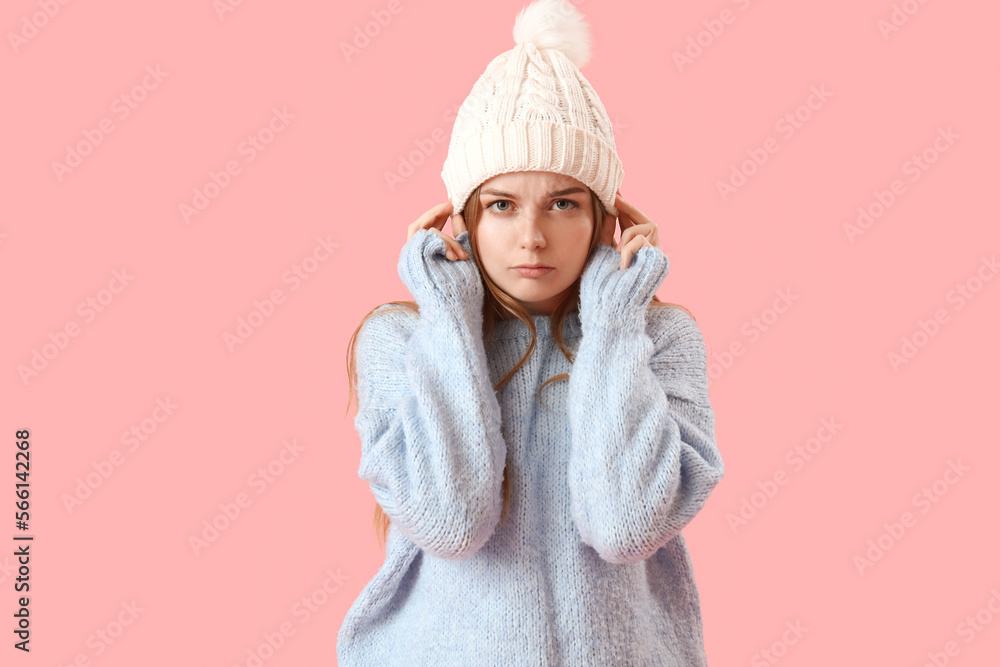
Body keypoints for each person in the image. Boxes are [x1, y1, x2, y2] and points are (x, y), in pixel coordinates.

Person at [337, 0, 725, 664]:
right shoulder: (401, 339)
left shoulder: (659, 337)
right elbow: (449, 522)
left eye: (563, 203)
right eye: (501, 205)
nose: (532, 236)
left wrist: (614, 321)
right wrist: (447, 314)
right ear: (463, 218)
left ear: (607, 218)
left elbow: (626, 525)